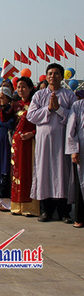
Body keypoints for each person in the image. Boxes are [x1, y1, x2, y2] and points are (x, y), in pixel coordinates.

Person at [27, 63, 76, 223]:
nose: (53, 76)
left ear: (62, 77)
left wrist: (59, 108)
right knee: (44, 172)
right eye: (50, 73)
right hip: (44, 143)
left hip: (62, 140)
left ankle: (64, 212)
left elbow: (75, 117)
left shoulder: (69, 95)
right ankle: (46, 210)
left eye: (56, 73)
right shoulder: (39, 95)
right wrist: (48, 108)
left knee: (63, 173)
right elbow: (31, 116)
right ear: (46, 76)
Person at [9, 77, 39, 217]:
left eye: (23, 87)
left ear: (31, 88)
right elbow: (7, 120)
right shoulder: (16, 105)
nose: (20, 90)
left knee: (28, 172)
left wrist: (33, 134)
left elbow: (41, 124)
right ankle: (16, 205)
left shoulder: (35, 104)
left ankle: (30, 207)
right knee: (16, 173)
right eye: (18, 87)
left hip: (29, 143)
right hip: (17, 142)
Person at [66, 98, 84, 228]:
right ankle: (80, 217)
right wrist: (74, 150)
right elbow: (71, 128)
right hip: (81, 151)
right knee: (80, 183)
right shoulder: (78, 105)